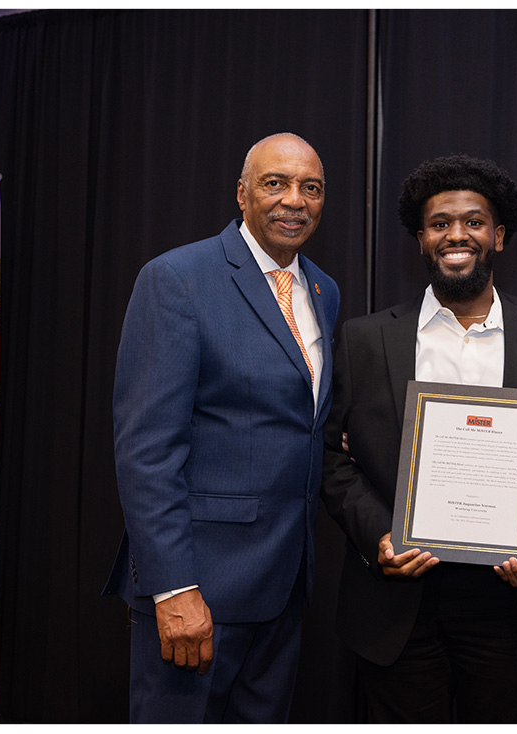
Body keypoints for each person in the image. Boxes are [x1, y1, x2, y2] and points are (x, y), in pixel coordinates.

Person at [321, 155, 517, 723]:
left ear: (499, 234)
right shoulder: (365, 339)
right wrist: (380, 537)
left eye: (473, 220)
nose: (456, 234)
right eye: (439, 223)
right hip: (397, 599)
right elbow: (331, 460)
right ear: (420, 240)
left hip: (510, 599)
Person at [104, 133, 340, 724]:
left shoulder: (323, 290)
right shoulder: (177, 279)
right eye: (275, 183)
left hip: (285, 587)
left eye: (310, 188)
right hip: (200, 591)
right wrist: (172, 587)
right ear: (241, 193)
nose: (295, 200)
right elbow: (147, 450)